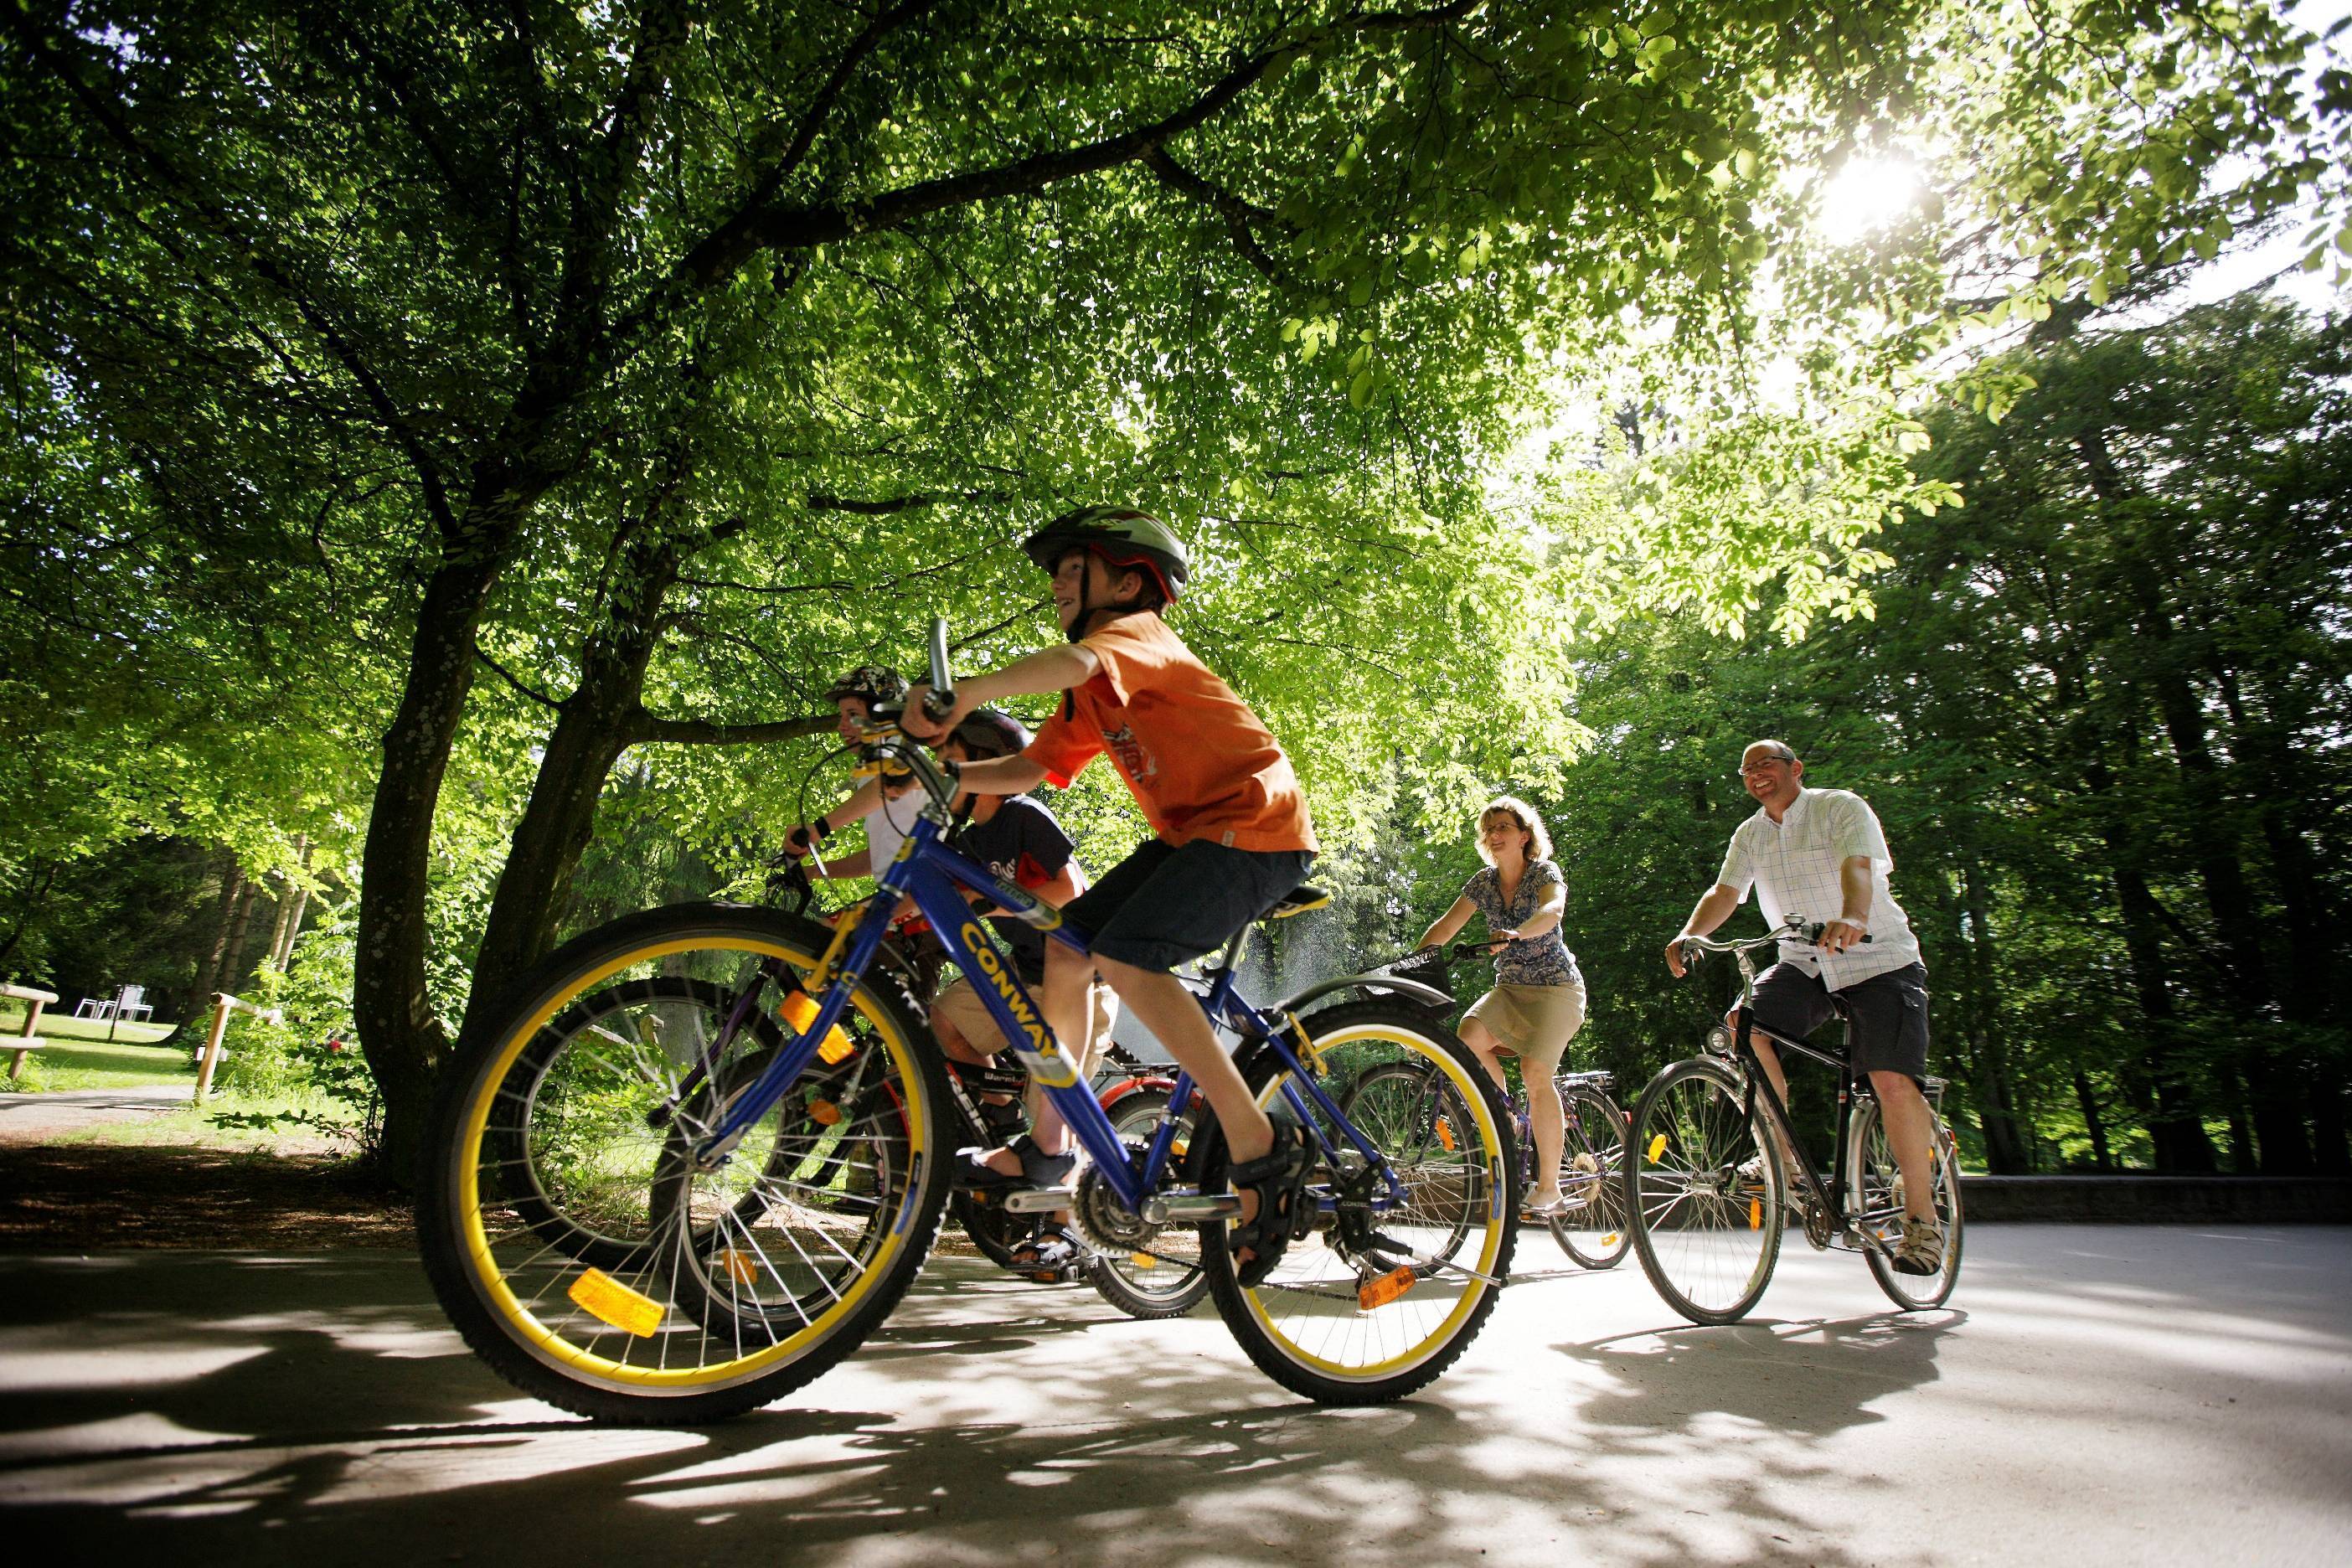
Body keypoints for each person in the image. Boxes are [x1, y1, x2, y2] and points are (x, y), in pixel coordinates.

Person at [902, 505, 1319, 1286]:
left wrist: (964, 694)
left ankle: (1256, 1139)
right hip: (1190, 836)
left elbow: (1074, 663)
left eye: (1072, 568)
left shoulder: (1137, 639)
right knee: (1067, 942)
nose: (1057, 583)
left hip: (1256, 823)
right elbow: (1032, 770)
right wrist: (949, 775)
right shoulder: (1094, 691)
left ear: (1128, 582)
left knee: (1128, 957)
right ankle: (1050, 1145)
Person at [1665, 739, 1946, 1275]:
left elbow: (1857, 868)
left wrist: (1855, 917)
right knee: (1743, 1026)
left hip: (1878, 959)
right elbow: (1725, 892)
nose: (1754, 774)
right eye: (1746, 769)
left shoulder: (1839, 807)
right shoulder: (1749, 834)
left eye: (1765, 763)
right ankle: (1785, 1162)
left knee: (1890, 1081)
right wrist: (1690, 933)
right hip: (1805, 964)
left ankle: (1922, 1223)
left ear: (1796, 768)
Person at [926, 707, 1118, 1187]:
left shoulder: (1025, 817)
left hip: (1080, 983)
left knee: (1053, 1125)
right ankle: (1003, 1117)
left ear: (985, 764)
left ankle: (1063, 1237)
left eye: (953, 763)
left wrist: (992, 905)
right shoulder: (971, 840)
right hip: (1024, 970)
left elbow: (1069, 889)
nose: (945, 777)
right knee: (945, 1018)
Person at [1416, 797, 1587, 1215]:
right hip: (1510, 988)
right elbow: (1445, 926)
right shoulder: (1484, 882)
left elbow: (1553, 909)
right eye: (1489, 829)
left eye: (1503, 827)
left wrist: (1517, 933)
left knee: (1535, 1071)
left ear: (1524, 836)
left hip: (1557, 990)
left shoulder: (1544, 872)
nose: (1494, 835)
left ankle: (1549, 1188)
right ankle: (1506, 1122)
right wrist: (1414, 966)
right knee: (1469, 1035)